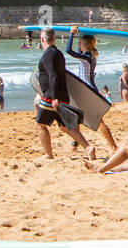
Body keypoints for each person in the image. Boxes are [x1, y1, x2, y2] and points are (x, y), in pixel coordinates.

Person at [34, 27, 94, 159]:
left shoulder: (49, 54)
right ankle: (88, 147)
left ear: (42, 39)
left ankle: (48, 154)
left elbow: (53, 76)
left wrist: (54, 98)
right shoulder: (58, 53)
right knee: (65, 127)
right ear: (53, 38)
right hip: (61, 95)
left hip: (51, 97)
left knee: (40, 125)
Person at [66, 27, 117, 151]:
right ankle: (75, 142)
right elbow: (77, 49)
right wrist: (79, 35)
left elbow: (68, 50)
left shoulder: (87, 57)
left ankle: (113, 146)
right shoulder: (89, 55)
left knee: (98, 120)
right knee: (76, 116)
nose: (79, 45)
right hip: (86, 89)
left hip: (87, 91)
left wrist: (71, 34)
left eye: (80, 43)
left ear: (86, 45)